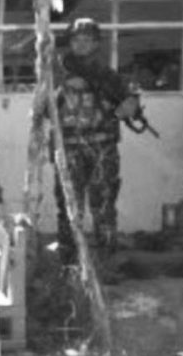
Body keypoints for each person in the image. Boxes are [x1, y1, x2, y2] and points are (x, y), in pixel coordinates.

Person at [54, 17, 141, 264]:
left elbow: (130, 106)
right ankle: (68, 264)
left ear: (95, 44)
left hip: (103, 146)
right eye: (76, 40)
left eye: (87, 40)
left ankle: (107, 262)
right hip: (69, 146)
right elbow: (42, 111)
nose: (81, 45)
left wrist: (112, 111)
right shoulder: (57, 74)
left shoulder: (108, 76)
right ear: (69, 43)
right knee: (69, 208)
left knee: (103, 206)